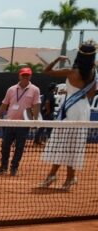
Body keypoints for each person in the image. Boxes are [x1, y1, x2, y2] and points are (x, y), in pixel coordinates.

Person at [39, 40, 97, 190]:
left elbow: (47, 71)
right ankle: (69, 177)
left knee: (62, 142)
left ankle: (54, 175)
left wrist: (58, 59)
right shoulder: (93, 74)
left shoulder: (71, 71)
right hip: (83, 108)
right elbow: (90, 95)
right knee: (74, 144)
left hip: (70, 108)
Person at [0, 67, 40, 177]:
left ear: (30, 76)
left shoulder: (35, 90)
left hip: (23, 124)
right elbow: (4, 105)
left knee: (19, 147)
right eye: (23, 75)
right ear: (19, 76)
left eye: (27, 75)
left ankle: (14, 168)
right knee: (5, 146)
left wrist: (35, 121)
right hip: (9, 122)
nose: (25, 77)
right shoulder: (11, 89)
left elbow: (36, 106)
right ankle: (3, 167)